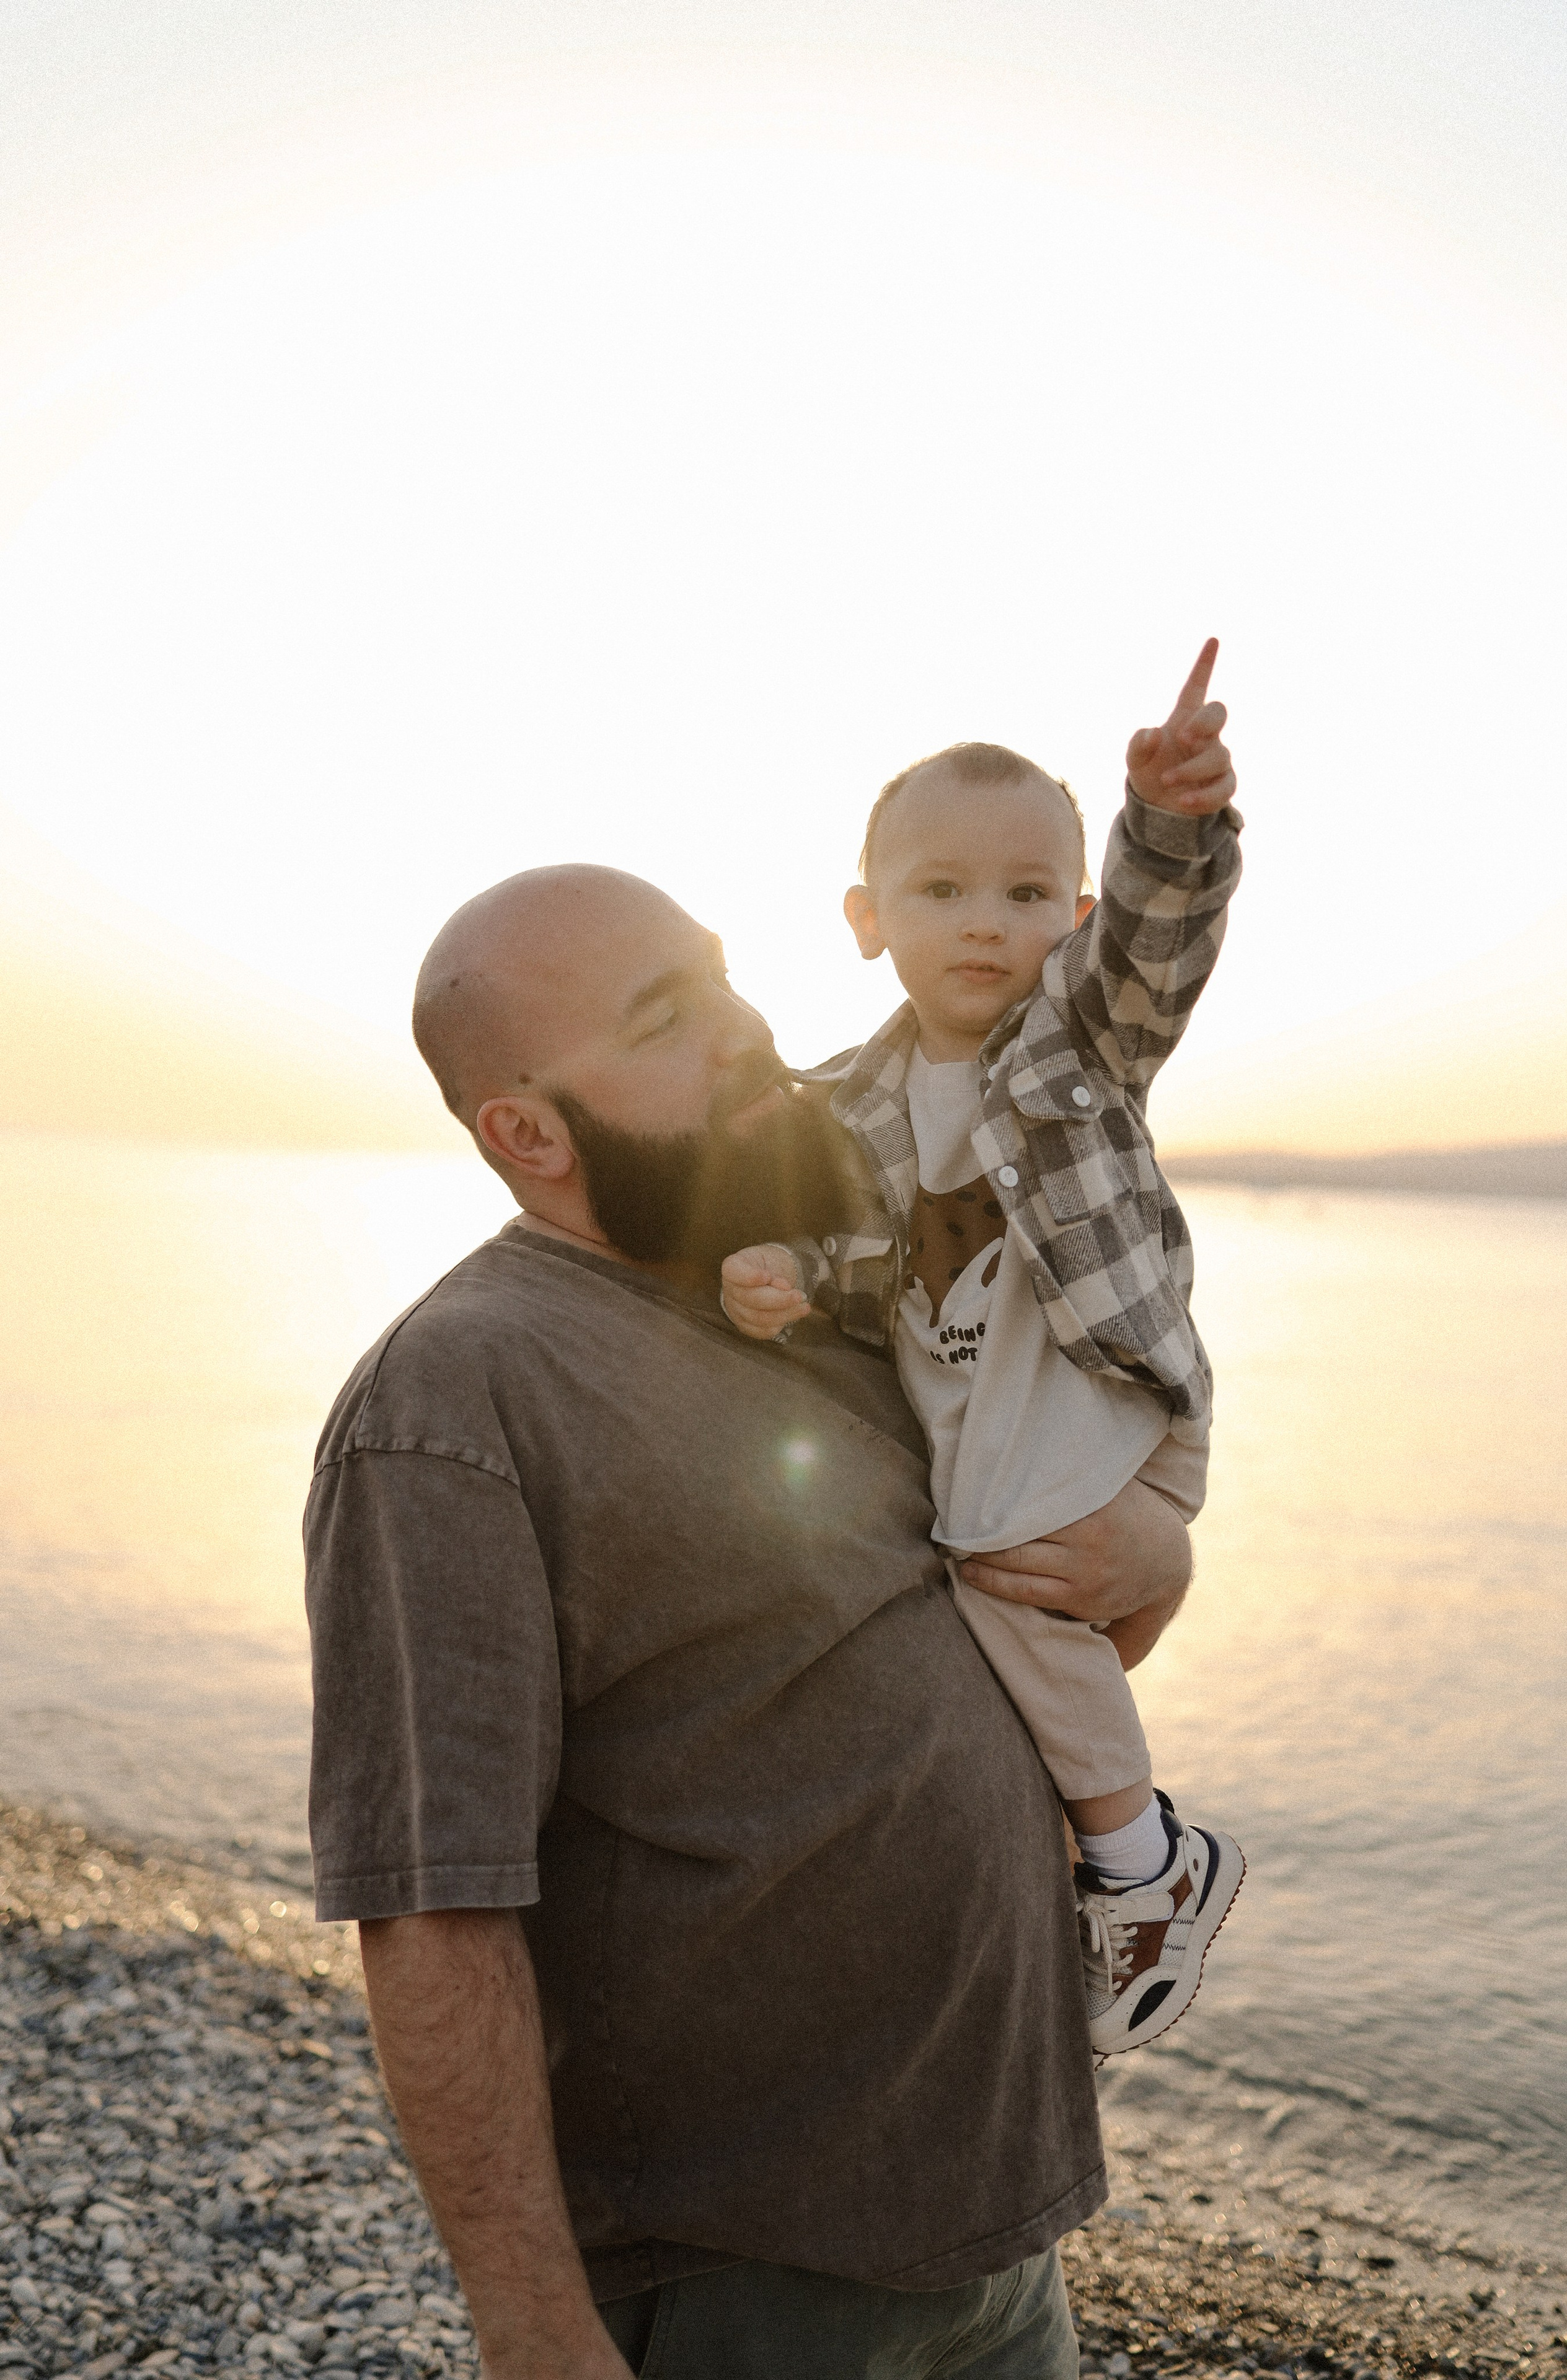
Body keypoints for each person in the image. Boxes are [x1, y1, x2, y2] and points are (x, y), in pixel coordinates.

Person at [304, 861, 1196, 2379]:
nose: (748, 1031)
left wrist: (1148, 1562)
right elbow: (434, 1904)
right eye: (670, 1018)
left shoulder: (822, 1308)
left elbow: (1001, 1654)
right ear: (525, 1132)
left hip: (998, 2233)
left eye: (724, 979)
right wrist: (533, 2332)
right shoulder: (462, 1395)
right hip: (744, 2278)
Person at [720, 641, 1244, 2057]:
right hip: (993, 1425)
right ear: (865, 917)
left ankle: (1143, 1872)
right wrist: (789, 1276)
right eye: (939, 891)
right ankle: (1065, 1889)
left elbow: (1155, 942)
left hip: (1098, 1397)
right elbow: (875, 1261)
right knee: (1003, 1619)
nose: (981, 923)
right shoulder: (840, 1106)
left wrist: (1173, 824)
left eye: (1023, 895)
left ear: (1067, 915)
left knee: (1004, 1586)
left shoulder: (1077, 1037)